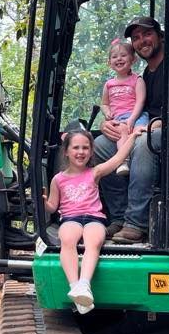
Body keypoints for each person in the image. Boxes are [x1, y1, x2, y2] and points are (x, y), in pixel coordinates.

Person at [43, 127, 132, 314]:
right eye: (76, 147)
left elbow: (117, 159)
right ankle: (75, 286)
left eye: (85, 148)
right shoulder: (58, 179)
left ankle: (84, 285)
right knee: (67, 239)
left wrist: (132, 137)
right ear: (66, 151)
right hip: (70, 218)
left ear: (91, 151)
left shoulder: (95, 172)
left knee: (94, 241)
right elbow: (52, 205)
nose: (81, 152)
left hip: (94, 218)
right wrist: (42, 203)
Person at [93, 15, 165, 244]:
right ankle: (119, 217)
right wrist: (108, 124)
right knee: (99, 147)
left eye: (147, 34)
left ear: (160, 35)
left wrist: (152, 125)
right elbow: (126, 105)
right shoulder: (144, 76)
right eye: (136, 37)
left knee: (144, 144)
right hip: (140, 126)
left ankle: (136, 223)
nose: (142, 40)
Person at [100, 38, 149, 177]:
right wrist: (107, 112)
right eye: (114, 57)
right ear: (109, 63)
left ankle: (131, 163)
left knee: (140, 133)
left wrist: (132, 119)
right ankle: (123, 162)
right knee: (122, 130)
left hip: (137, 116)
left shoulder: (137, 80)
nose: (119, 59)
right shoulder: (109, 84)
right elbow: (104, 103)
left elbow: (140, 102)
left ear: (133, 60)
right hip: (119, 118)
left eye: (123, 55)